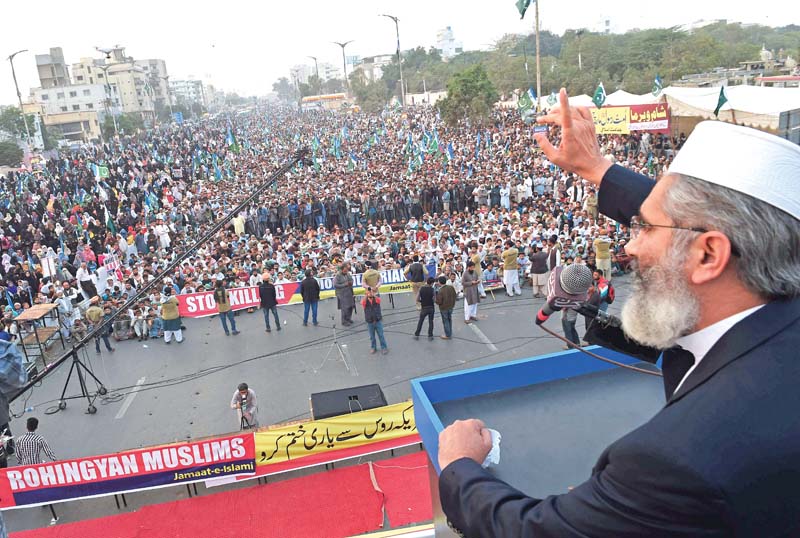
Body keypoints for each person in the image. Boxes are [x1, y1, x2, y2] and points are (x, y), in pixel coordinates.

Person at [437, 89, 800, 536]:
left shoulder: (677, 460)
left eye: (644, 227)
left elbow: (529, 530)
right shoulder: (776, 276)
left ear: (709, 256)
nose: (628, 245)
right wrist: (595, 167)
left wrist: (457, 468)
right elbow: (687, 225)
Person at [361, 286, 388, 355]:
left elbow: (378, 300)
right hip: (370, 322)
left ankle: (384, 347)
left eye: (371, 292)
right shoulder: (365, 301)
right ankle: (373, 347)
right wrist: (367, 294)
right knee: (372, 337)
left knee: (381, 335)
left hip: (377, 320)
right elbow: (362, 302)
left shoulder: (376, 299)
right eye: (369, 292)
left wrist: (373, 294)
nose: (370, 293)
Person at [435, 275, 456, 340]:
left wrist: (435, 299)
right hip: (451, 306)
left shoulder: (440, 291)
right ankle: (450, 332)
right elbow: (455, 295)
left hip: (444, 308)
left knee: (445, 321)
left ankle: (447, 334)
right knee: (449, 319)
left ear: (439, 282)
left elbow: (439, 302)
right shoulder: (451, 287)